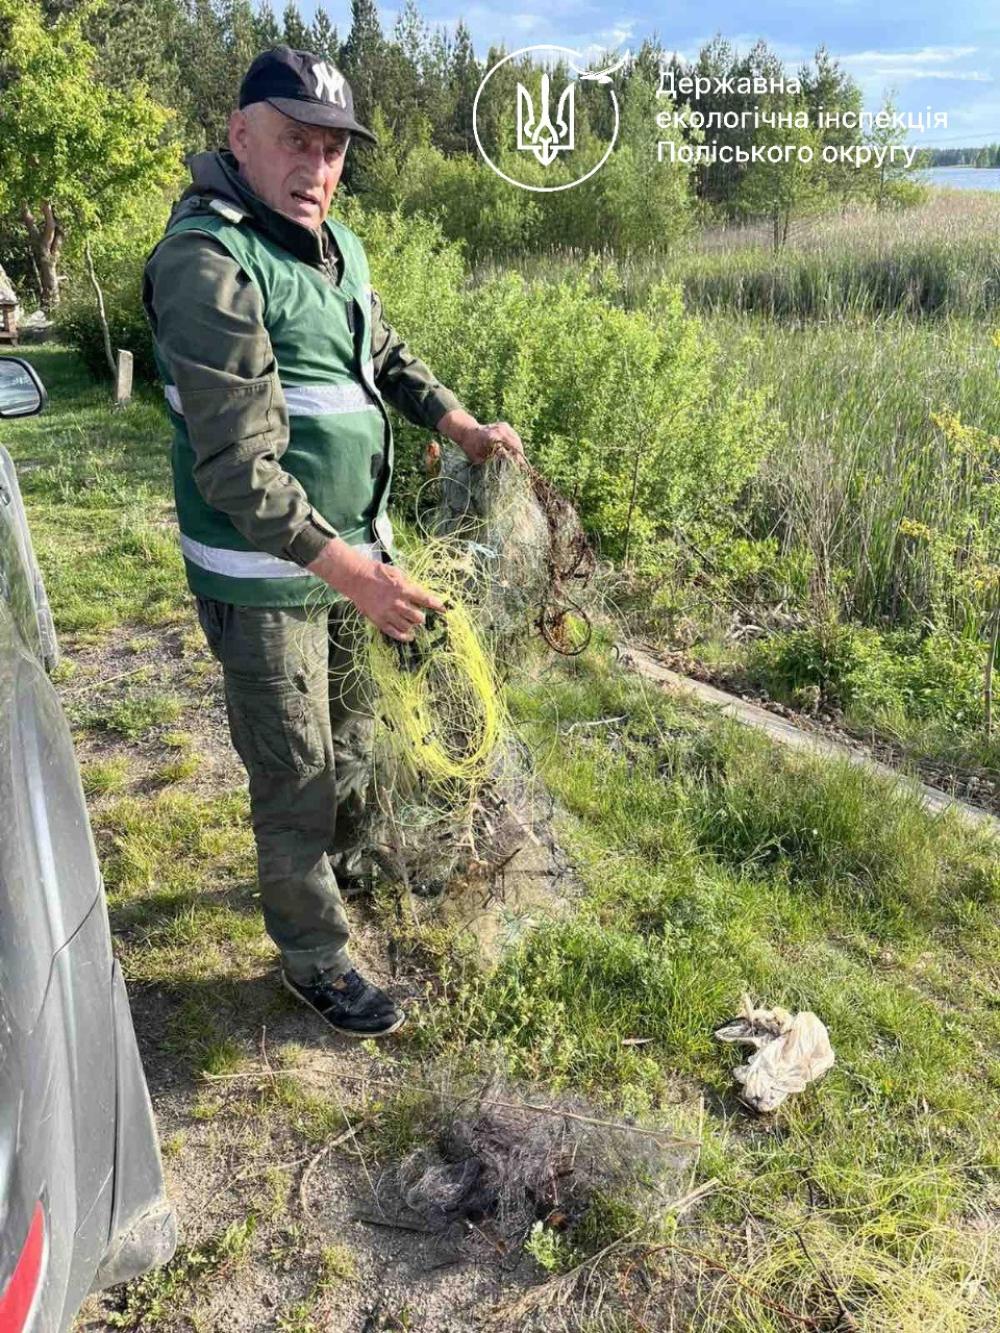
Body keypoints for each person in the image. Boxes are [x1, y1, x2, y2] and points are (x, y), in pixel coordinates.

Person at [142, 45, 524, 1039]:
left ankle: (345, 868)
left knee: (352, 734)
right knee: (296, 771)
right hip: (268, 577)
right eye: (295, 142)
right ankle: (313, 956)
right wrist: (360, 576)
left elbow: (379, 352)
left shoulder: (336, 244)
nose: (317, 168)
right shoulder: (206, 262)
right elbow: (238, 471)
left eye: (333, 150)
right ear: (241, 136)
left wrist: (457, 423)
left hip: (350, 560)